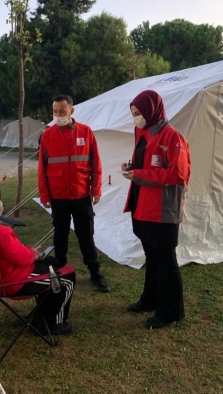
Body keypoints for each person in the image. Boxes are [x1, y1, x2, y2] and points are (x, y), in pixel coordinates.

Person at [0, 181, 75, 335]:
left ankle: (42, 314)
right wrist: (32, 254)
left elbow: (12, 253)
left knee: (53, 262)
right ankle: (52, 324)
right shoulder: (0, 232)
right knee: (66, 277)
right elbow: (22, 259)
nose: (0, 202)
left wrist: (30, 253)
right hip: (12, 282)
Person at [121, 89, 191, 329]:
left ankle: (170, 312)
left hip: (162, 210)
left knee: (165, 260)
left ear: (152, 110)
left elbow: (177, 173)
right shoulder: (141, 132)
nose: (135, 118)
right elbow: (145, 161)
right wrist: (132, 166)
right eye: (133, 113)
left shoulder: (172, 137)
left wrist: (138, 174)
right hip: (142, 206)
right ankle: (149, 299)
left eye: (138, 113)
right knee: (151, 257)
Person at [38, 94, 109, 292]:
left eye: (62, 111)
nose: (58, 115)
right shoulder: (47, 135)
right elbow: (42, 169)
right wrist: (44, 195)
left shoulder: (86, 132)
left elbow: (96, 163)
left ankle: (95, 273)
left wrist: (95, 188)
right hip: (58, 197)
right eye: (55, 112)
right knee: (60, 236)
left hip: (81, 195)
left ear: (71, 110)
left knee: (86, 236)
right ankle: (61, 272)